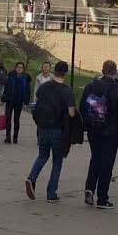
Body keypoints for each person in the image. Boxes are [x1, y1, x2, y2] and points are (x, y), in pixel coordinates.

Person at [81, 60, 118, 208]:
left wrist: (87, 125)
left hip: (93, 130)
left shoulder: (90, 87)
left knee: (95, 159)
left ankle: (89, 188)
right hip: (111, 132)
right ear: (115, 72)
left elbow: (83, 107)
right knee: (107, 163)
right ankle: (102, 198)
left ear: (102, 70)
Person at [25, 60, 76, 202]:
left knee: (42, 155)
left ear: (54, 70)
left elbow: (35, 102)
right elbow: (71, 113)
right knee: (57, 160)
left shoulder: (45, 86)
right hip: (58, 129)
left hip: (42, 127)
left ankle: (31, 178)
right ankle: (51, 193)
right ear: (65, 73)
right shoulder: (67, 91)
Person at [2, 62, 31, 143]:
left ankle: (15, 137)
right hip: (9, 100)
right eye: (18, 67)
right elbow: (6, 86)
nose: (19, 68)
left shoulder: (26, 77)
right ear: (15, 67)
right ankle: (8, 137)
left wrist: (26, 100)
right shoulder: (11, 75)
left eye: (21, 67)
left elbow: (28, 90)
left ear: (23, 69)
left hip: (19, 101)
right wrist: (4, 95)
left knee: (16, 119)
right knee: (8, 118)